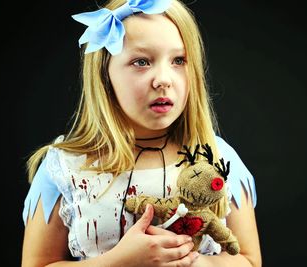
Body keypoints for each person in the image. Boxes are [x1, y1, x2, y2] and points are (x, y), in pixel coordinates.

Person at [21, 0, 261, 266]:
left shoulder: (218, 158)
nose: (163, 79)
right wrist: (118, 262)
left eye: (179, 60)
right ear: (104, 75)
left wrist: (195, 263)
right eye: (142, 61)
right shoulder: (66, 167)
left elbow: (249, 260)